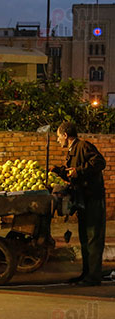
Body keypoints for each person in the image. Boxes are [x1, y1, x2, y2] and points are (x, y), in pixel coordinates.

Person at [51, 122, 106, 286]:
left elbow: (100, 163)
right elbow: (72, 175)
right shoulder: (72, 151)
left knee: (93, 238)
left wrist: (79, 170)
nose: (57, 140)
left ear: (65, 135)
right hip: (83, 201)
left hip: (93, 200)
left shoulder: (83, 146)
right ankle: (86, 274)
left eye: (58, 136)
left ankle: (93, 278)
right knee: (84, 238)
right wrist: (59, 171)